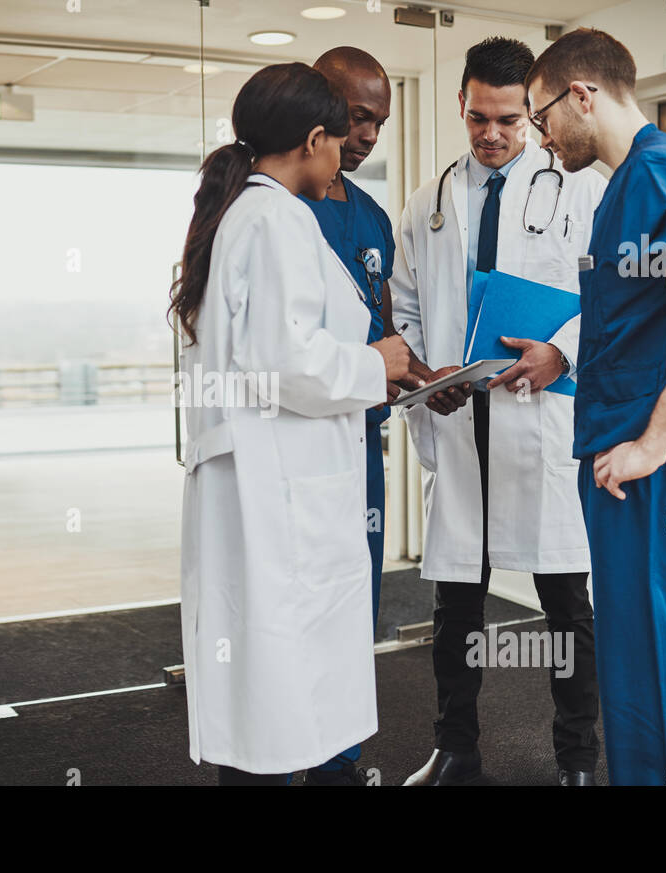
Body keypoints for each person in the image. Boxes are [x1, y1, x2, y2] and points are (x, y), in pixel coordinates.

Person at [169, 62, 411, 785]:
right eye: (340, 140)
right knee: (275, 682)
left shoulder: (244, 212)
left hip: (269, 477)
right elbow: (288, 364)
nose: (346, 155)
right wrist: (379, 364)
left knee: (268, 685)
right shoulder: (276, 218)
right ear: (313, 140)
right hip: (279, 488)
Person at [525, 28, 666, 785]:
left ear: (581, 95)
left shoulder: (660, 171)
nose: (541, 136)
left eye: (540, 115)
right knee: (630, 659)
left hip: (656, 471)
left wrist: (653, 442)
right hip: (624, 469)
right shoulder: (625, 185)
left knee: (655, 663)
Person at [390, 37, 606, 786]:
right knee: (455, 606)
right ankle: (456, 749)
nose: (491, 134)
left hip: (539, 422)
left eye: (509, 121)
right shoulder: (429, 200)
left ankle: (578, 761)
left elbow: (613, 297)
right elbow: (406, 306)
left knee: (568, 609)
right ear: (461, 103)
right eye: (479, 117)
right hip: (461, 426)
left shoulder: (578, 185)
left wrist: (563, 351)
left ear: (533, 112)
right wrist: (425, 371)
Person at [296, 45, 417, 786]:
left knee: (352, 607)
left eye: (380, 121)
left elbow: (386, 331)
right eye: (357, 116)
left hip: (358, 448)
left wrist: (425, 376)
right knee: (296, 609)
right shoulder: (271, 205)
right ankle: (283, 755)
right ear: (318, 107)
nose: (369, 135)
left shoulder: (370, 216)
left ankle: (339, 763)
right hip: (295, 449)